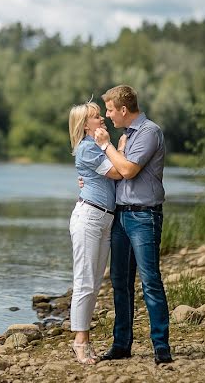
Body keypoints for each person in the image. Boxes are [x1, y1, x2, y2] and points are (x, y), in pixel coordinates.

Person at [94, 85, 173, 365]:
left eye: (110, 110)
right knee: (120, 283)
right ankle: (121, 344)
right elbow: (115, 172)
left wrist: (106, 145)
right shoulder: (126, 136)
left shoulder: (150, 132)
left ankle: (161, 346)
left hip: (143, 216)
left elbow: (127, 170)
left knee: (150, 281)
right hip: (121, 216)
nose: (108, 115)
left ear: (123, 110)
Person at [66, 101, 122, 364]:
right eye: (95, 116)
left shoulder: (96, 147)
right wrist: (110, 145)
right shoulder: (88, 148)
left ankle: (83, 339)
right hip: (89, 217)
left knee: (94, 283)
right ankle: (80, 343)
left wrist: (113, 146)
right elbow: (118, 172)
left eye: (100, 115)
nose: (101, 119)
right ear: (84, 124)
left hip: (104, 219)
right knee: (85, 282)